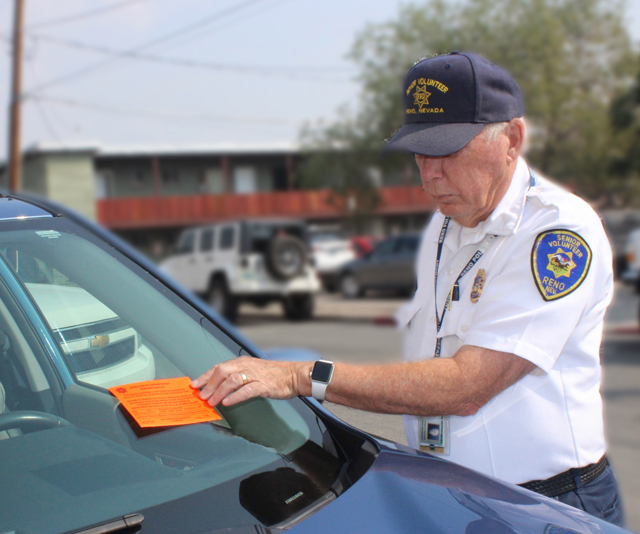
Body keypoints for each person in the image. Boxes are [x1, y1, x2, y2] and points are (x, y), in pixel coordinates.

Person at [191, 51, 623, 525]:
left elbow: (467, 385)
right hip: (457, 493)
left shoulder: (556, 233)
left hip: (547, 503)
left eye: (449, 151)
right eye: (420, 152)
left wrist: (301, 376)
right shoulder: (447, 224)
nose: (430, 174)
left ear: (512, 140)